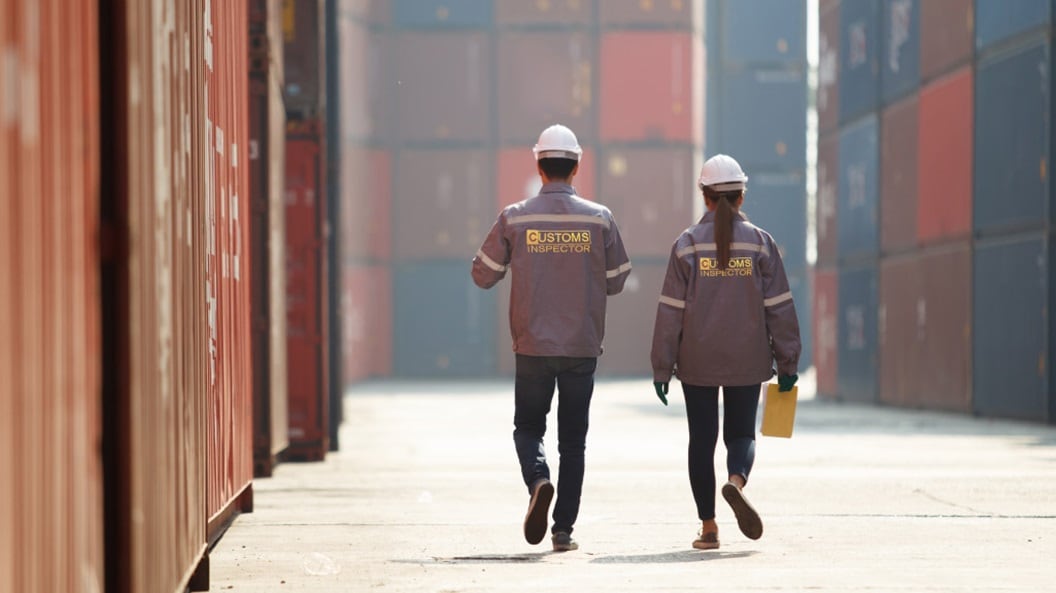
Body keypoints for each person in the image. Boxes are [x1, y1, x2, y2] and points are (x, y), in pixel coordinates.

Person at [471, 124, 631, 552]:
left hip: (533, 347)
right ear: (576, 166)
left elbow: (482, 274)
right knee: (574, 442)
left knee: (527, 428)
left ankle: (539, 479)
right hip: (581, 346)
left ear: (539, 166)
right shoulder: (600, 218)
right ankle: (563, 531)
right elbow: (617, 281)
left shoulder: (515, 216)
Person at [650, 154, 801, 550]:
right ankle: (735, 482)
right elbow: (780, 308)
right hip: (747, 359)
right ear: (741, 194)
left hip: (697, 360)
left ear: (705, 196)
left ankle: (709, 527)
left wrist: (662, 368)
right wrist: (787, 363)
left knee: (701, 440)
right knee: (740, 433)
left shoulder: (685, 246)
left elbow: (670, 312)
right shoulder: (762, 244)